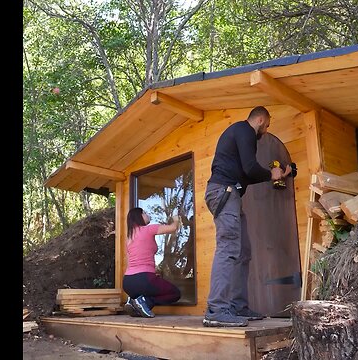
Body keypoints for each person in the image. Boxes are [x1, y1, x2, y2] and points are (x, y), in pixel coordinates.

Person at [203, 106, 291, 327]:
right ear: (260, 119)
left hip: (230, 193)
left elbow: (246, 174)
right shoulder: (244, 131)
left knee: (243, 251)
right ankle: (216, 309)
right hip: (224, 192)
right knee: (228, 248)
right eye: (268, 125)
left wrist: (274, 176)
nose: (267, 130)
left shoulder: (240, 134)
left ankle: (237, 306)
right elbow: (251, 168)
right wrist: (272, 173)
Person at [123, 207, 182, 318]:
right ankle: (144, 301)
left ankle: (135, 301)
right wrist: (176, 218)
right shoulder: (148, 229)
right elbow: (173, 228)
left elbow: (129, 260)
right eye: (144, 213)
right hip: (143, 279)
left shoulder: (129, 238)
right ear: (139, 217)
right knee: (175, 293)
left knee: (151, 288)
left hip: (128, 282)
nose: (147, 214)